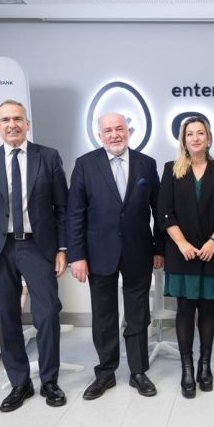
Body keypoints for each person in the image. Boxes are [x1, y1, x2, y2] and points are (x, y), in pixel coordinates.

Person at [0, 99, 68, 412]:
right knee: (7, 317)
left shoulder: (48, 157)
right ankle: (19, 383)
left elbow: (62, 207)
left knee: (47, 314)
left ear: (27, 124)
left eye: (17, 119)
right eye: (5, 120)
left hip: (39, 247)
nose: (12, 124)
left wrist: (63, 248)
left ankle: (50, 381)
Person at [67, 112, 164, 399]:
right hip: (98, 253)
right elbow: (75, 214)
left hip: (139, 250)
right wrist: (77, 256)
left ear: (128, 131)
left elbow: (159, 210)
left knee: (138, 314)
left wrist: (159, 248)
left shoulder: (146, 163)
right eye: (108, 130)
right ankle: (105, 373)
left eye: (119, 129)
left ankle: (138, 371)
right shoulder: (85, 164)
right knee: (104, 316)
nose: (114, 135)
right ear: (100, 135)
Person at [158, 116, 214, 398]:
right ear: (183, 139)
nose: (195, 138)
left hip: (211, 252)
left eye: (200, 133)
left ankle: (205, 365)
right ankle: (187, 369)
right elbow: (164, 212)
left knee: (207, 308)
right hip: (182, 254)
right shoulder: (172, 169)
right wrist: (182, 244)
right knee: (185, 309)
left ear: (208, 138)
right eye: (190, 134)